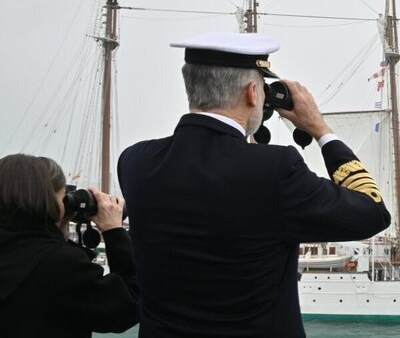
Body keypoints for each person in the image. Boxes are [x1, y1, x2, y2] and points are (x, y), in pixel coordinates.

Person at [117, 32, 391, 338]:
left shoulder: (134, 163)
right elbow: (372, 211)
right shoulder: (275, 170)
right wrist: (320, 129)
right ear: (251, 92)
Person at [0, 154, 139, 338]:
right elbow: (128, 305)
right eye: (63, 197)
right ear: (51, 200)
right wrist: (114, 231)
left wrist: (59, 226)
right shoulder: (60, 264)